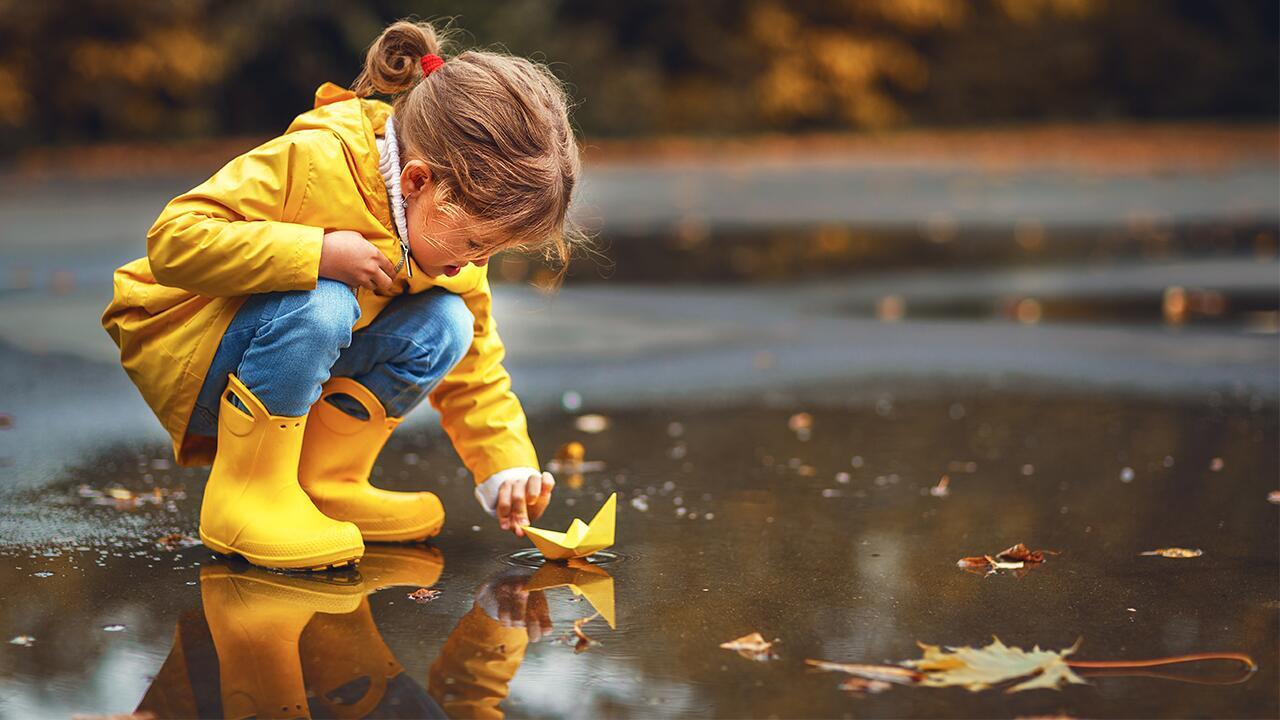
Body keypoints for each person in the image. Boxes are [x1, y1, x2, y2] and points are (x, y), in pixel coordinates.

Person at [101, 19, 580, 570]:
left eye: (492, 249)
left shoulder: (446, 241)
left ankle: (322, 482)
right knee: (326, 299)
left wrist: (506, 467)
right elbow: (174, 242)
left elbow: (476, 365)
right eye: (475, 241)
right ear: (419, 181)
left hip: (288, 356)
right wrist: (316, 252)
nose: (478, 261)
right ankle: (246, 497)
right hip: (191, 346)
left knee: (450, 322)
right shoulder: (315, 161)